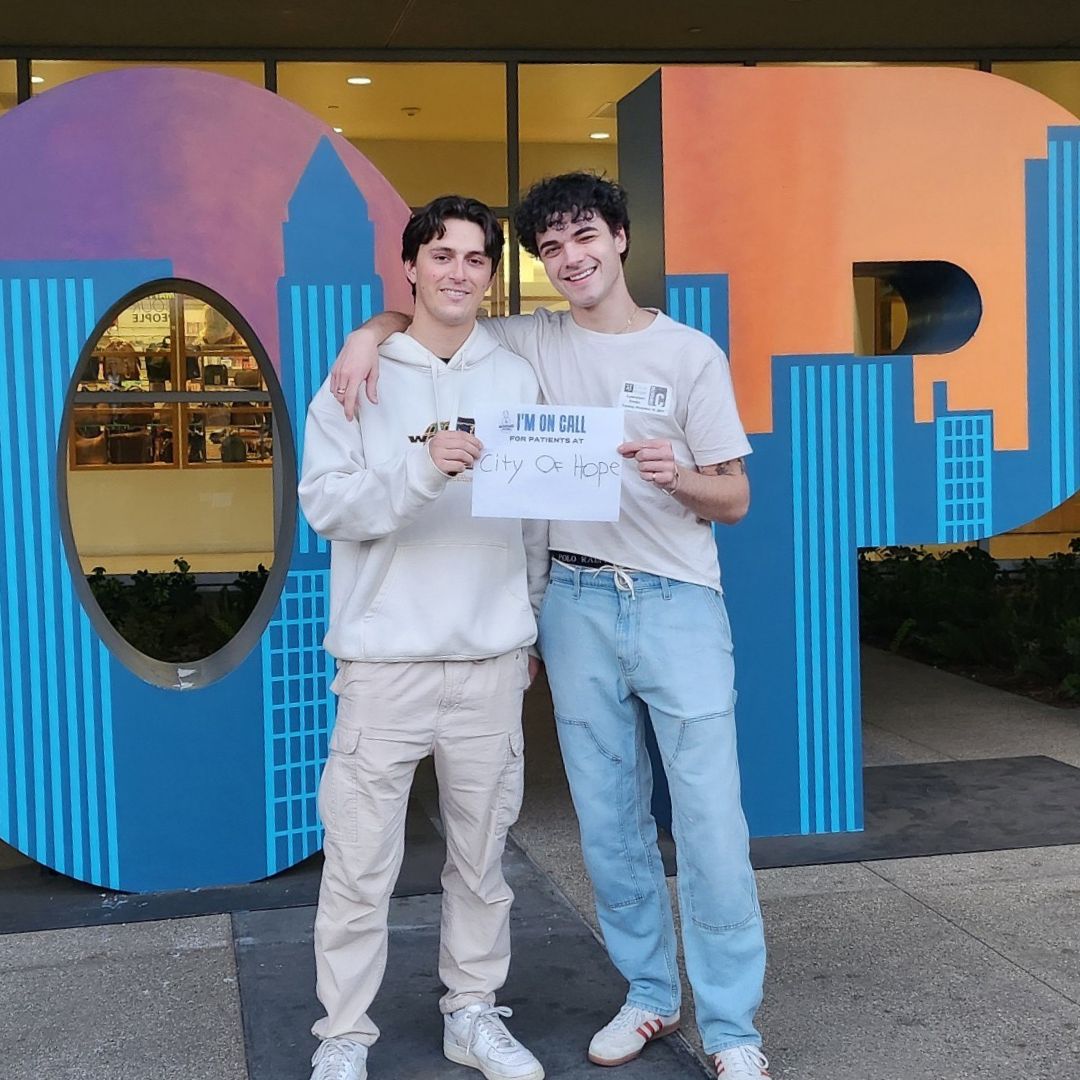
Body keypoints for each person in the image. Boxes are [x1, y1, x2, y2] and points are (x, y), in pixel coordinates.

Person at [329, 173, 770, 1080]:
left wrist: (677, 475)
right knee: (607, 823)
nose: (572, 259)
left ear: (621, 238)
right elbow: (427, 316)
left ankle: (732, 1028)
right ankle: (649, 994)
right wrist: (364, 336)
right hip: (573, 601)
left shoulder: (690, 354)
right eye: (553, 248)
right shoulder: (524, 342)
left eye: (586, 238)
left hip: (677, 598)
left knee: (711, 823)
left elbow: (735, 496)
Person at [298, 194, 548, 1080]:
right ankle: (343, 1037)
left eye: (475, 258)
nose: (457, 271)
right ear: (409, 268)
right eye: (440, 255)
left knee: (482, 863)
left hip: (488, 660)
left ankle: (472, 1012)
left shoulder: (515, 376)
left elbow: (532, 524)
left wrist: (526, 625)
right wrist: (419, 466)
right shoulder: (357, 375)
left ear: (490, 274)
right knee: (359, 867)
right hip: (384, 664)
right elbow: (326, 505)